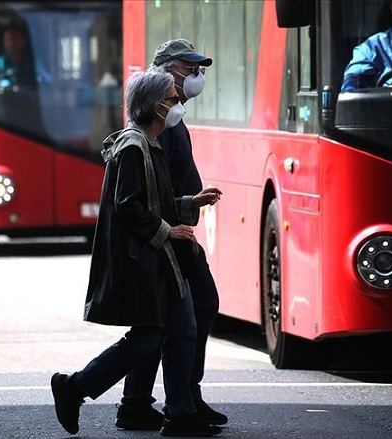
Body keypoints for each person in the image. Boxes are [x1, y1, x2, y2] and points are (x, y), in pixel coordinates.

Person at [50, 70, 224, 438]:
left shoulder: (150, 143)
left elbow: (153, 200)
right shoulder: (134, 147)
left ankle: (179, 413)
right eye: (171, 100)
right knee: (150, 337)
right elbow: (128, 206)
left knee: (182, 330)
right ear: (151, 105)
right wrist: (168, 230)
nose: (177, 106)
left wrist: (188, 203)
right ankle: (75, 387)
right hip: (144, 260)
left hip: (161, 260)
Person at [114, 38, 228, 432]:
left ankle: (147, 403)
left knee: (161, 321)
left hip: (176, 229)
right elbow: (140, 194)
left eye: (198, 68)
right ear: (164, 70)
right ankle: (179, 404)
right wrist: (173, 221)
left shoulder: (174, 117)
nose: (196, 76)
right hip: (167, 235)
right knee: (183, 315)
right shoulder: (156, 121)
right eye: (188, 67)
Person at [0, 23, 37, 89]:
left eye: (15, 39)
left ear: (23, 42)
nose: (11, 43)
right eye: (8, 40)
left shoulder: (34, 64)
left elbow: (45, 84)